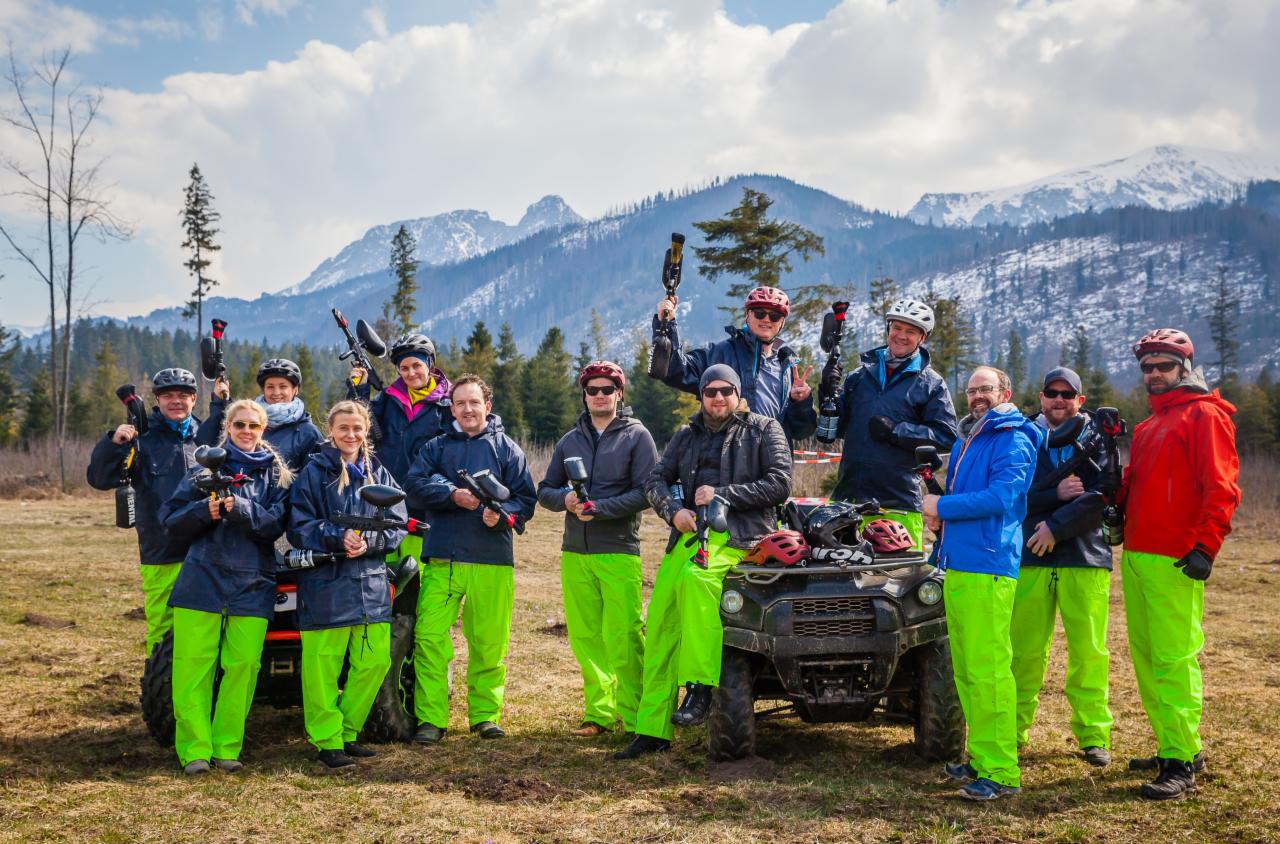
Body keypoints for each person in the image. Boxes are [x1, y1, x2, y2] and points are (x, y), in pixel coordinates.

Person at [616, 364, 792, 760]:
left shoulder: (764, 430)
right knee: (660, 625)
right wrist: (673, 511)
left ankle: (699, 687)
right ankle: (652, 729)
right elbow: (654, 480)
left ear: (738, 394)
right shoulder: (686, 434)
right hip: (690, 535)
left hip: (744, 536)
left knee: (698, 581)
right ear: (701, 396)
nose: (718, 398)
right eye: (710, 391)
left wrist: (724, 494)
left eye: (726, 390)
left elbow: (780, 483)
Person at [1118, 328, 1240, 800]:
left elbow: (1221, 486)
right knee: (1148, 660)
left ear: (1184, 368)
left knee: (1174, 659)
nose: (1154, 373)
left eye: (1164, 365)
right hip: (1136, 556)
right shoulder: (1148, 426)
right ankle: (1173, 744)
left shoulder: (1205, 415)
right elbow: (1138, 485)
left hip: (1175, 559)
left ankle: (1181, 762)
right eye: (1147, 367)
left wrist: (1206, 547)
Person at [922, 366, 1042, 801]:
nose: (977, 396)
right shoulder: (967, 438)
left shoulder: (1014, 436)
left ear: (1005, 393)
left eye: (985, 389)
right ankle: (981, 756)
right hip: (958, 563)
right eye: (971, 390)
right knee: (968, 670)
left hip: (989, 566)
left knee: (989, 671)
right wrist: (940, 523)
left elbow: (1003, 497)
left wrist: (942, 506)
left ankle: (1001, 771)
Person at [159, 400, 292, 775]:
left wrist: (241, 509)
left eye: (254, 425)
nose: (247, 431)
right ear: (228, 428)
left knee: (244, 666)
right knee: (193, 666)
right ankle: (195, 751)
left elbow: (276, 525)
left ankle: (227, 746)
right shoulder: (203, 470)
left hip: (253, 580)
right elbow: (170, 520)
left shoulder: (278, 476)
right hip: (202, 577)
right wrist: (206, 511)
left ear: (263, 430)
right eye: (239, 425)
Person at [403, 375, 537, 744]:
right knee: (429, 637)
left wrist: (502, 515)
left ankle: (485, 716)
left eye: (474, 402)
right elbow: (413, 486)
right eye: (460, 403)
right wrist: (451, 496)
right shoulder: (435, 447)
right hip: (443, 557)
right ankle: (431, 719)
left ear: (487, 406)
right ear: (451, 408)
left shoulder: (507, 449)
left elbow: (526, 501)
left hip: (492, 559)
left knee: (489, 643)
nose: (467, 409)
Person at [537, 361, 658, 737]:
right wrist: (566, 501)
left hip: (619, 549)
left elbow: (646, 493)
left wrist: (600, 508)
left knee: (624, 635)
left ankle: (638, 718)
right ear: (584, 395)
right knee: (586, 637)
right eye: (593, 390)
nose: (600, 395)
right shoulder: (569, 440)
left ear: (619, 394)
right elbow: (545, 490)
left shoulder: (638, 436)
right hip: (575, 551)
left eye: (608, 389)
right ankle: (599, 714)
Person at [287, 400, 407, 769]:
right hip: (327, 582)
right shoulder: (314, 472)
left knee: (374, 662)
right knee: (322, 666)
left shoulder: (378, 473)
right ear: (331, 431)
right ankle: (327, 739)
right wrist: (338, 537)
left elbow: (398, 523)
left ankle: (349, 730)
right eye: (343, 428)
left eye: (357, 428)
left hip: (370, 584)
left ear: (366, 430)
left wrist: (370, 542)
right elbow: (299, 526)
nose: (350, 434)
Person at [1011, 367, 1114, 768]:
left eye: (1067, 394)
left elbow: (1103, 493)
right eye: (1051, 392)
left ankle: (1093, 735)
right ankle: (1011, 732)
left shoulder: (1099, 439)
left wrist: (1056, 526)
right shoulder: (1021, 437)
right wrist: (1054, 495)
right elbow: (1011, 494)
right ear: (1041, 396)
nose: (1058, 399)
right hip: (1029, 556)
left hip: (1085, 558)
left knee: (1089, 652)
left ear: (1079, 400)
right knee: (1022, 652)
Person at [87, 368, 228, 657]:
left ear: (193, 399)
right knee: (164, 628)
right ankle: (162, 682)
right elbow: (99, 479)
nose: (176, 401)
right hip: (162, 550)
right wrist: (114, 443)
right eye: (168, 396)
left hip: (207, 547)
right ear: (157, 400)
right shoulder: (142, 438)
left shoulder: (204, 436)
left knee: (211, 624)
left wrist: (221, 402)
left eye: (183, 395)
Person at [831, 298, 958, 550]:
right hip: (847, 501)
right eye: (897, 328)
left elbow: (947, 436)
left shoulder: (931, 383)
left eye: (910, 331)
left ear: (922, 338)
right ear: (888, 329)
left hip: (898, 505)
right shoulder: (858, 376)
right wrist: (826, 396)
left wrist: (897, 431)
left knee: (900, 573)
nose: (901, 335)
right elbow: (835, 428)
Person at [651, 285, 816, 442]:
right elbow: (675, 370)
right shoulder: (720, 353)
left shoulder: (787, 368)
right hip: (725, 457)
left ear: (782, 322)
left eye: (774, 316)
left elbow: (801, 432)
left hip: (774, 458)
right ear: (747, 316)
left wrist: (800, 403)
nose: (766, 319)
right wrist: (666, 324)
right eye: (759, 313)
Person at [349, 332, 452, 563]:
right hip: (384, 501)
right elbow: (359, 425)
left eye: (417, 365)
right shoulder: (388, 398)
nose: (411, 373)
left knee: (416, 573)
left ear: (430, 364)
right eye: (404, 368)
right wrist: (360, 388)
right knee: (382, 571)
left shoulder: (448, 404)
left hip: (422, 506)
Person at [255, 358, 324, 471]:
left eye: (283, 386)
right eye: (270, 387)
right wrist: (223, 400)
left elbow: (316, 476)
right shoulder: (247, 423)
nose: (276, 392)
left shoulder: (309, 434)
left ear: (295, 389)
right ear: (264, 389)